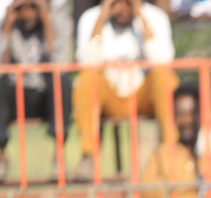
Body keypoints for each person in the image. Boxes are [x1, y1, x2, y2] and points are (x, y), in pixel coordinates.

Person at [73, 0, 177, 180]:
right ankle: (88, 156)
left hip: (143, 96)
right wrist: (102, 17)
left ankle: (172, 152)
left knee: (164, 77)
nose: (121, 9)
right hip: (110, 97)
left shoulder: (155, 16)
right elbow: (85, 64)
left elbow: (163, 60)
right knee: (86, 79)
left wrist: (140, 16)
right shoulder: (91, 18)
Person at [0, 0, 73, 182]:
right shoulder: (4, 24)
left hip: (44, 94)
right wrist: (7, 27)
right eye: (23, 7)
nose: (27, 14)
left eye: (34, 7)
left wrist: (46, 21)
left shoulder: (61, 22)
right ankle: (1, 157)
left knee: (61, 82)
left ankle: (59, 158)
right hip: (16, 94)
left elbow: (62, 64)